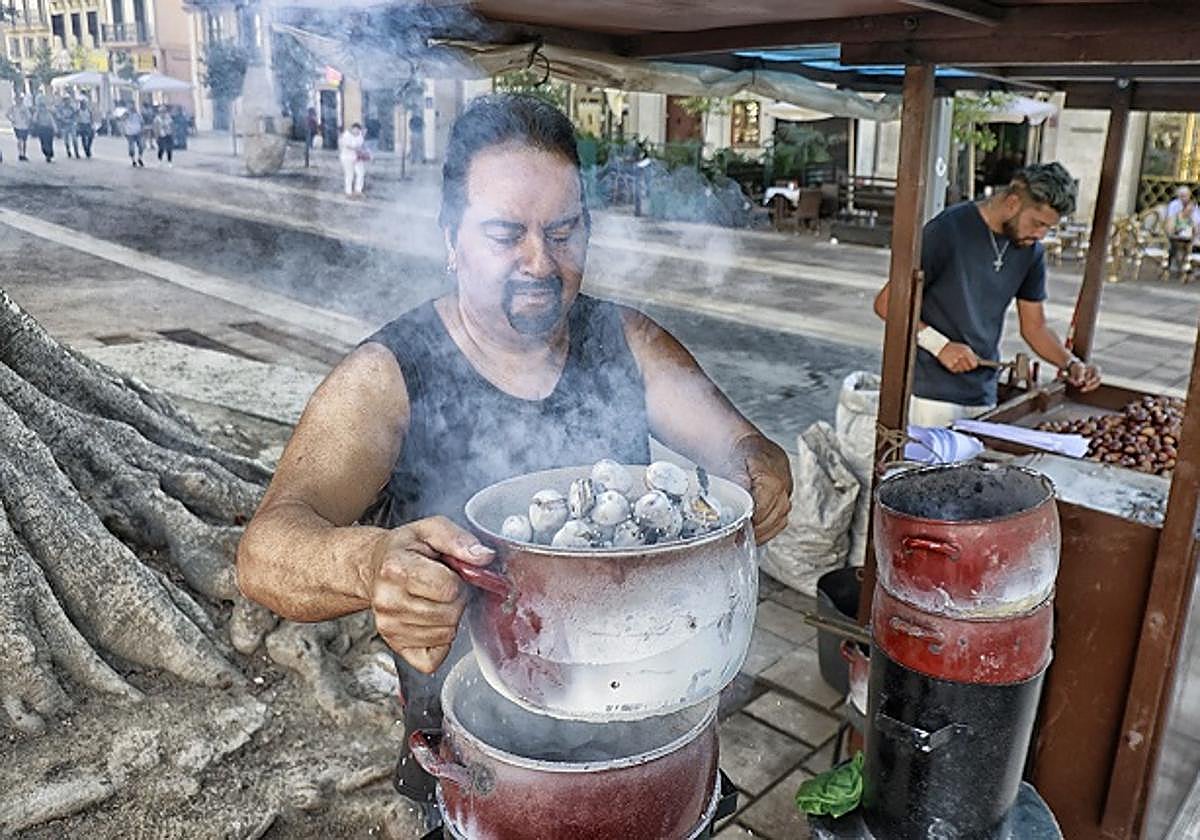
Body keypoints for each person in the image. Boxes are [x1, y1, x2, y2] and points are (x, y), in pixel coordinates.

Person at [236, 93, 793, 828]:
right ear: (450, 240)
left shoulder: (621, 338)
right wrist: (373, 565)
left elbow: (739, 445)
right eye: (507, 234)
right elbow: (265, 551)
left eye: (564, 232)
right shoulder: (389, 375)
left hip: (651, 721)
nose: (541, 262)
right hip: (488, 755)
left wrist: (761, 465)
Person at [873, 162, 1102, 427]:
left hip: (983, 393)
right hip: (929, 394)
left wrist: (1071, 364)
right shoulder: (948, 230)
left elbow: (1035, 327)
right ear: (1013, 202)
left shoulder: (1031, 252)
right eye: (1037, 223)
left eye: (1048, 228)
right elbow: (887, 304)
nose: (1040, 234)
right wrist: (940, 346)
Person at [1165, 186, 1200, 280]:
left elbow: (1197, 223)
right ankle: (1184, 271)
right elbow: (1170, 226)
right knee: (1180, 246)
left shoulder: (1193, 206)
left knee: (1193, 244)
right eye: (1182, 196)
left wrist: (1194, 230)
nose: (1185, 198)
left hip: (1192, 235)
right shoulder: (1174, 206)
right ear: (1178, 196)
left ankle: (1191, 269)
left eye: (1187, 195)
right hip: (1177, 235)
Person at [338, 122, 368, 197]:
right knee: (349, 174)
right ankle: (348, 192)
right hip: (347, 157)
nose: (357, 131)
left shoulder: (360, 136)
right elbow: (348, 146)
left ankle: (358, 190)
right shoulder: (346, 135)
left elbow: (361, 144)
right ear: (352, 129)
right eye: (355, 129)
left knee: (361, 173)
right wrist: (357, 148)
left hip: (357, 157)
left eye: (358, 130)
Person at [31, 95, 56, 163]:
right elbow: (34, 120)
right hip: (41, 129)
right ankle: (46, 153)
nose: (42, 109)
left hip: (49, 129)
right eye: (41, 107)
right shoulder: (38, 113)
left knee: (49, 143)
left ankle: (49, 154)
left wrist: (55, 129)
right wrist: (37, 113)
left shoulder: (48, 113)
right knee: (43, 143)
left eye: (43, 107)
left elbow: (52, 121)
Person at [7, 95, 32, 161]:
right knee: (19, 140)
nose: (18, 101)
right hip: (17, 126)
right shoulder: (13, 107)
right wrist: (12, 120)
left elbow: (29, 116)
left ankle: (24, 153)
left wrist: (28, 122)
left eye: (20, 99)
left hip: (24, 126)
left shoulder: (24, 107)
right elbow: (7, 114)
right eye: (17, 99)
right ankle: (20, 154)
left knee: (24, 141)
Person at [55, 95, 80, 159]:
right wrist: (63, 119)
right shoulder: (61, 108)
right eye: (66, 100)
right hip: (64, 125)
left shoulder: (72, 107)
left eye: (68, 100)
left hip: (71, 124)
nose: (67, 102)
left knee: (74, 139)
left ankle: (76, 152)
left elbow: (76, 114)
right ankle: (68, 150)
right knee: (66, 140)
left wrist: (74, 120)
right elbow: (58, 115)